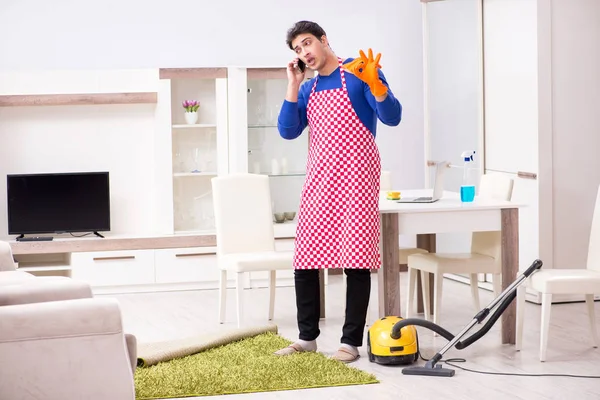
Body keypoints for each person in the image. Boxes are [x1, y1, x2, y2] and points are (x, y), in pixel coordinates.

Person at [274, 20, 402, 363]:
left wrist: (377, 87)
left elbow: (392, 118)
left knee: (356, 259)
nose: (305, 53)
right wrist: (292, 85)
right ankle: (306, 338)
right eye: (298, 50)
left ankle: (350, 343)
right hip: (320, 180)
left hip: (357, 179)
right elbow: (288, 131)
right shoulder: (307, 88)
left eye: (307, 44)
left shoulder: (361, 71)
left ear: (323, 40)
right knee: (305, 258)